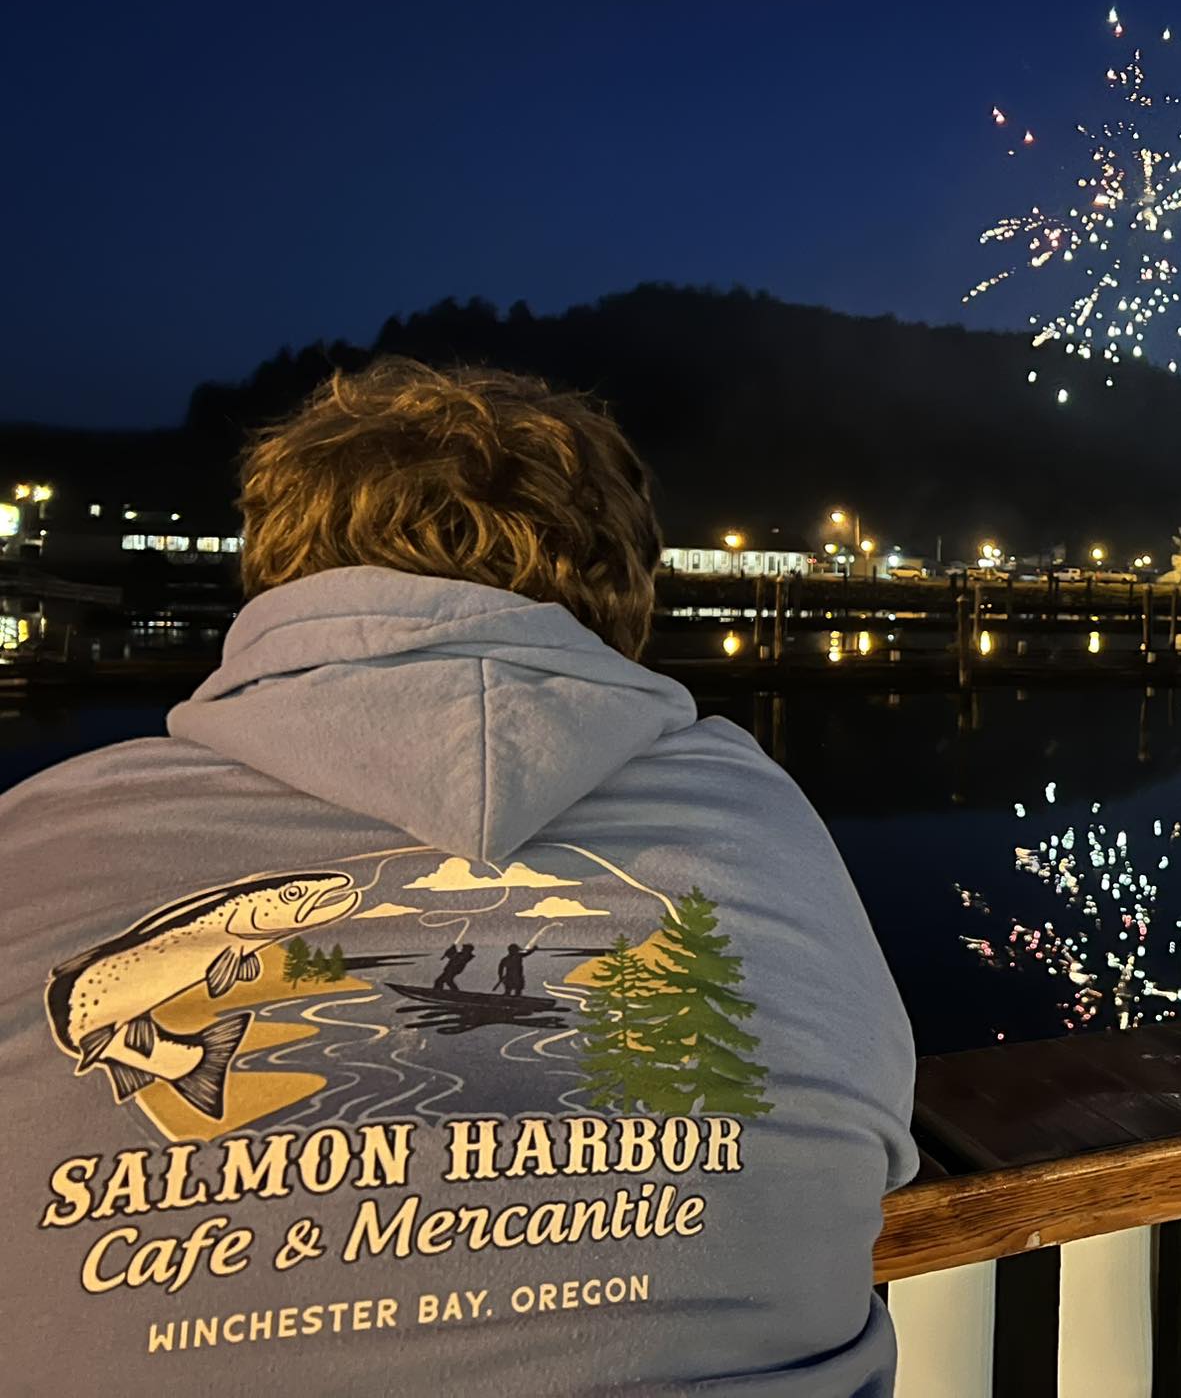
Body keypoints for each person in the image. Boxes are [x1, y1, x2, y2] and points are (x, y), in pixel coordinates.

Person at [0, 359, 916, 1396]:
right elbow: (867, 1154)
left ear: (276, 572)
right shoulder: (753, 812)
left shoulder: (38, 831)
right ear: (623, 587)